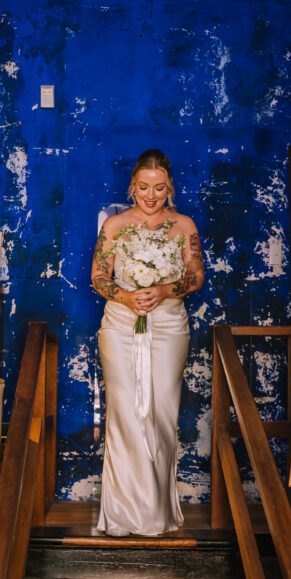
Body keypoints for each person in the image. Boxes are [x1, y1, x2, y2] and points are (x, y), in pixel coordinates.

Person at [91, 149, 204, 536]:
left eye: (159, 188)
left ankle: (156, 510)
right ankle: (122, 514)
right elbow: (99, 277)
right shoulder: (115, 226)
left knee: (161, 413)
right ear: (132, 186)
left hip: (168, 327)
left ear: (169, 187)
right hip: (121, 326)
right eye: (143, 187)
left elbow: (196, 276)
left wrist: (165, 289)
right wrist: (126, 296)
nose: (151, 195)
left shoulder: (184, 225)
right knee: (123, 412)